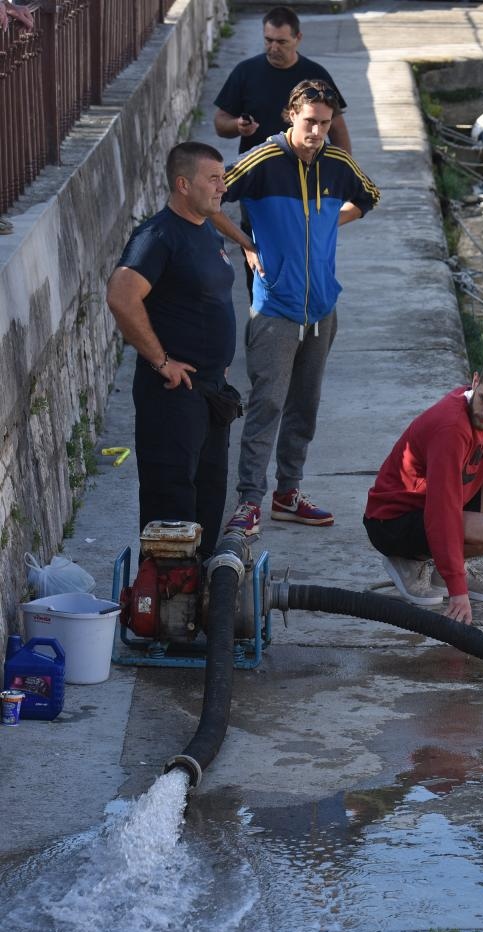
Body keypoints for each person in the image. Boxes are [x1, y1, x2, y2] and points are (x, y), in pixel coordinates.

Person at [210, 79, 379, 537]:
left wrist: (327, 223)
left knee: (305, 405)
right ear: (291, 115)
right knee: (267, 405)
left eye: (325, 123)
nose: (317, 132)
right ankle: (249, 502)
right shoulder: (263, 159)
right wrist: (245, 241)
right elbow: (210, 198)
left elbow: (369, 196)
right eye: (310, 122)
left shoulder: (337, 163)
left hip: (323, 309)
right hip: (275, 310)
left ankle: (289, 493)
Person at [106, 142, 240, 558]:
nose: (222, 186)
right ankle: (167, 608)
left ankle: (199, 595)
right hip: (173, 395)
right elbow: (121, 296)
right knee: (173, 505)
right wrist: (161, 361)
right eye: (213, 178)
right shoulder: (159, 235)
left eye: (223, 177)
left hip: (210, 391)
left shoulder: (205, 228)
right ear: (183, 184)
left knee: (210, 494)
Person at [364, 356, 483, 624]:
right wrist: (458, 592)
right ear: (475, 381)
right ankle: (409, 562)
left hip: (441, 506)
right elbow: (441, 513)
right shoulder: (451, 428)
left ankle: (442, 569)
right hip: (393, 522)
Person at [213, 6, 350, 155]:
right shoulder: (245, 71)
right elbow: (220, 122)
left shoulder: (316, 75)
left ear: (298, 38)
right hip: (257, 168)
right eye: (268, 40)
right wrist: (237, 126)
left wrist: (344, 171)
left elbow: (338, 130)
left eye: (281, 42)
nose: (274, 47)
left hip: (305, 169)